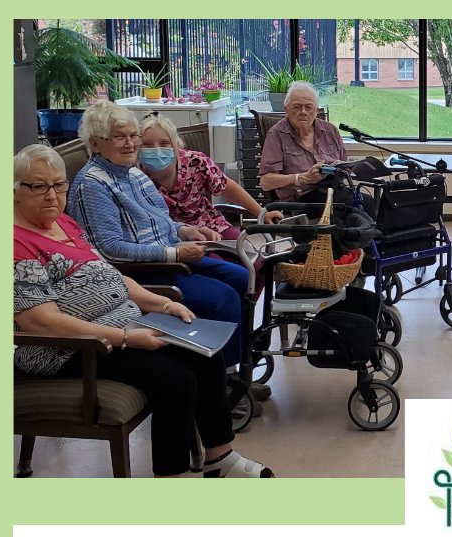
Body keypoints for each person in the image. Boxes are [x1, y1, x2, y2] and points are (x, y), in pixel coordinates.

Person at [13, 145, 273, 478]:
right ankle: (170, 476)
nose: (52, 195)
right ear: (15, 190)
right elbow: (40, 322)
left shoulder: (63, 223)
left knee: (205, 356)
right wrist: (126, 337)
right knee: (174, 379)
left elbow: (114, 276)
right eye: (38, 186)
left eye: (59, 185)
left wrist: (161, 303)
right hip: (69, 348)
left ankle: (220, 458)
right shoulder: (14, 241)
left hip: (122, 324)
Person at [66, 100, 250, 375]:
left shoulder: (133, 174)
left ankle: (235, 370)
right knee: (222, 298)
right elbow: (110, 249)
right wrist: (176, 253)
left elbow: (160, 220)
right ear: (95, 143)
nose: (130, 144)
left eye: (132, 136)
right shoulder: (94, 185)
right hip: (143, 272)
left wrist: (184, 231)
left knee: (243, 276)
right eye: (119, 137)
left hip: (169, 258)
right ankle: (221, 379)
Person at [138, 112, 283, 240]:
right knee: (226, 267)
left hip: (211, 222)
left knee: (252, 260)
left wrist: (261, 213)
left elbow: (227, 187)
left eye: (164, 143)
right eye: (147, 145)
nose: (156, 150)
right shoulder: (135, 175)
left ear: (176, 145)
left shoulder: (195, 162)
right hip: (174, 235)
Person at [259, 80, 348, 203]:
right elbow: (266, 182)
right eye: (297, 107)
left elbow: (345, 167)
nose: (303, 112)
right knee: (351, 207)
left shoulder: (330, 131)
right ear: (286, 109)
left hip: (334, 192)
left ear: (316, 111)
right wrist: (302, 178)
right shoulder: (276, 134)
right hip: (301, 199)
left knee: (368, 200)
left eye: (308, 107)